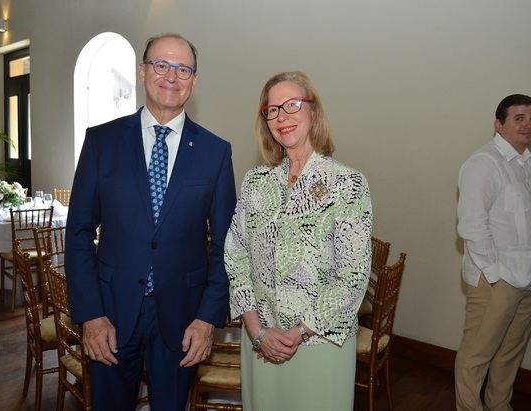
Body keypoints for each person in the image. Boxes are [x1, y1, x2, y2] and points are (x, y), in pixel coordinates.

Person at [65, 33, 236, 410]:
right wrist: (91, 314)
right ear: (142, 72)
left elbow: (226, 247)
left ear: (194, 80)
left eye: (183, 69)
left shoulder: (215, 153)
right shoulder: (101, 142)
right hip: (110, 313)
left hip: (183, 319)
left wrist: (208, 318)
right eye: (161, 65)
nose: (171, 76)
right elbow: (77, 233)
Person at [224, 71, 373, 410]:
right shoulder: (256, 182)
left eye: (292, 104)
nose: (282, 116)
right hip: (260, 340)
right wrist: (257, 331)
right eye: (272, 109)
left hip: (318, 343)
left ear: (313, 113)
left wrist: (296, 333)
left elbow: (352, 278)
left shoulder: (346, 184)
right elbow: (236, 256)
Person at [455, 94, 531, 411]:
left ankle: (499, 405)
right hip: (497, 282)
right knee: (476, 357)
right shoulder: (483, 163)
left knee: (510, 353)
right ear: (499, 124)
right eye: (519, 118)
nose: (528, 125)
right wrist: (497, 276)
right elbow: (471, 226)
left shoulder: (524, 161)